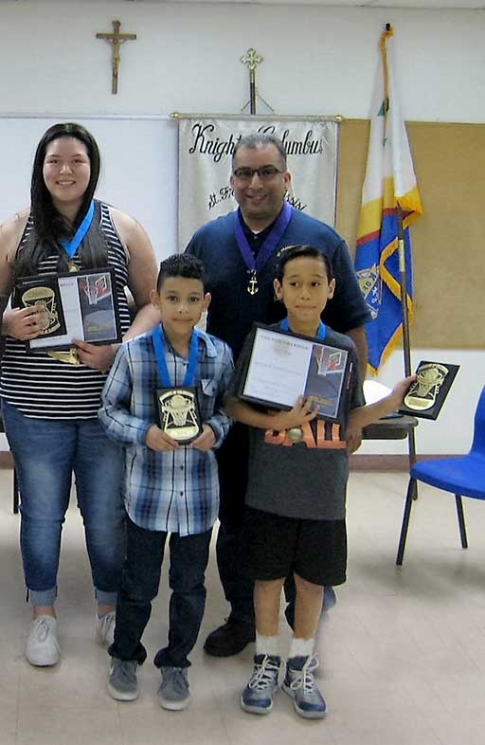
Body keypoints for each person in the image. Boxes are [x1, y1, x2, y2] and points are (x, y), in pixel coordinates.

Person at [129, 132, 372, 657]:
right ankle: (243, 616)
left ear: (287, 178)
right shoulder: (210, 239)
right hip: (236, 408)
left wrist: (352, 414)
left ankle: (302, 615)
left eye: (266, 172)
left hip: (310, 414)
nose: (254, 183)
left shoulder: (320, 240)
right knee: (239, 515)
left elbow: (352, 325)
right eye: (244, 173)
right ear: (231, 180)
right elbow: (184, 313)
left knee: (305, 512)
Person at [0, 123, 157, 667]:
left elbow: (154, 303)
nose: (65, 170)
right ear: (41, 167)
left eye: (76, 160)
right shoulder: (15, 230)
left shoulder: (123, 227)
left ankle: (108, 606)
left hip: (106, 404)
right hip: (33, 405)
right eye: (54, 160)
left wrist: (123, 351)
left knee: (106, 515)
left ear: (91, 166)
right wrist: (7, 323)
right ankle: (43, 615)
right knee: (41, 514)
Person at [227, 244, 411, 719]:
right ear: (278, 290)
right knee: (266, 579)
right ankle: (266, 661)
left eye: (315, 284)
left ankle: (299, 665)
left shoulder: (344, 348)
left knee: (311, 584)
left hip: (324, 492)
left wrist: (389, 403)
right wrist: (279, 419)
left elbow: (349, 416)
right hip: (270, 487)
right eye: (294, 284)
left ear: (331, 290)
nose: (304, 293)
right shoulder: (264, 341)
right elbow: (234, 406)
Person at [99, 254, 234, 710]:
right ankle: (124, 655)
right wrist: (143, 433)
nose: (181, 308)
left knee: (190, 588)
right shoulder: (134, 355)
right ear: (155, 299)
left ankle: (176, 663)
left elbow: (226, 412)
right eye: (172, 298)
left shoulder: (218, 355)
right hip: (147, 496)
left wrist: (216, 431)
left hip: (198, 499)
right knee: (137, 585)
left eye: (192, 300)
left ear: (205, 303)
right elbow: (108, 410)